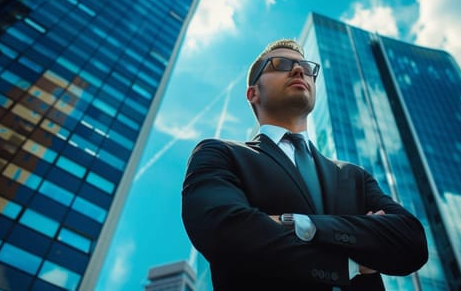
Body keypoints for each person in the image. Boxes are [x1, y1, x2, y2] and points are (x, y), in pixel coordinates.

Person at [181, 39, 428, 290]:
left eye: (306, 68)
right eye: (281, 64)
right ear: (252, 93)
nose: (299, 70)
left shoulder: (354, 176)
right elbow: (222, 230)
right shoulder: (221, 153)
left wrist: (299, 224)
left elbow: (411, 240)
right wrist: (350, 262)